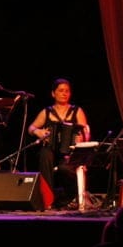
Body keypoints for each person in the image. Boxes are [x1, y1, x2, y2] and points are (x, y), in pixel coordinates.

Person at [28, 78, 90, 207]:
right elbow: (31, 128)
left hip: (70, 151)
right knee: (44, 155)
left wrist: (81, 138)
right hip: (51, 149)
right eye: (61, 90)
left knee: (64, 168)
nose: (64, 93)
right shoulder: (47, 112)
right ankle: (47, 199)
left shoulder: (77, 111)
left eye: (67, 91)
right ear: (53, 93)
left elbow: (85, 131)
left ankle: (64, 199)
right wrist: (38, 132)